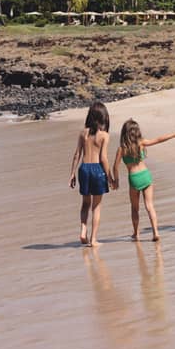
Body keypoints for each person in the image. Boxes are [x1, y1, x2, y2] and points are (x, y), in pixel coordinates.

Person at [111, 119, 175, 241]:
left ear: (124, 133)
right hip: (145, 175)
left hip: (134, 178)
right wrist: (174, 134)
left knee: (135, 208)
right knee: (150, 206)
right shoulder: (141, 143)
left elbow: (115, 166)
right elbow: (158, 139)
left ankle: (136, 233)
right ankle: (155, 232)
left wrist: (116, 181)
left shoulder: (122, 149)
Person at [69, 101, 113, 246]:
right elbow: (103, 159)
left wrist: (72, 174)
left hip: (84, 169)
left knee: (85, 203)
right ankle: (93, 239)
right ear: (103, 118)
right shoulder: (104, 136)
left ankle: (83, 229)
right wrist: (110, 176)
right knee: (96, 206)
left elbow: (77, 155)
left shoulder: (83, 133)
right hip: (97, 170)